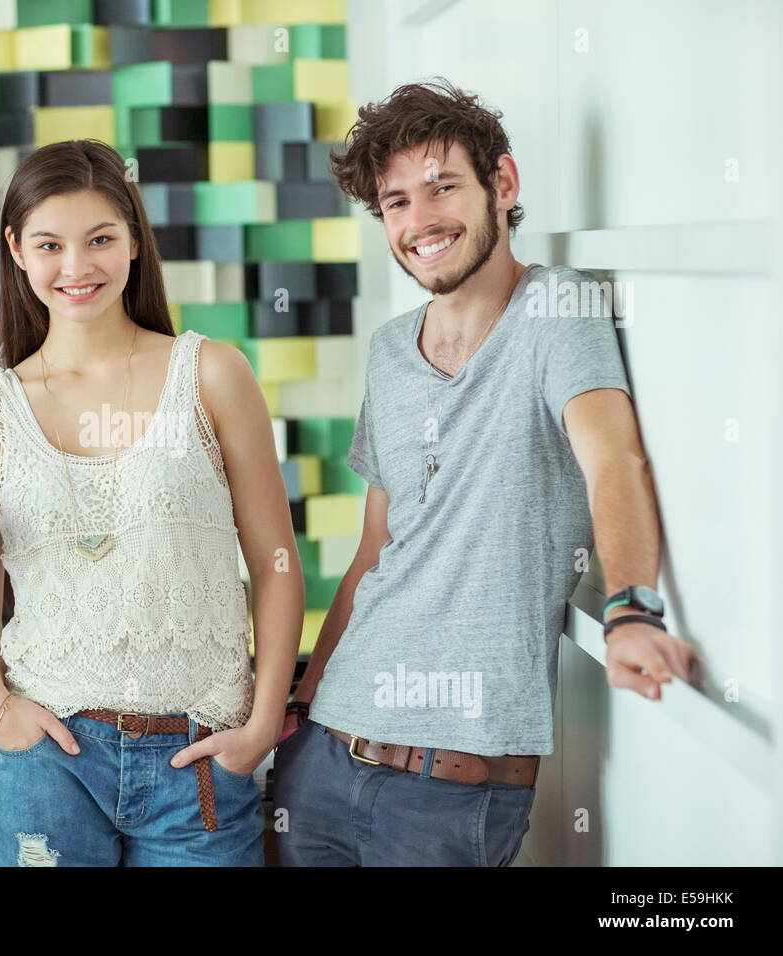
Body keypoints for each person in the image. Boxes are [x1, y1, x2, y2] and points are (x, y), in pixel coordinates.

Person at [273, 79, 697, 866]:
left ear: (502, 184)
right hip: (325, 757)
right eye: (395, 202)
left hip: (454, 791)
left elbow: (614, 458)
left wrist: (631, 609)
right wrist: (300, 709)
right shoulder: (389, 350)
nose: (419, 220)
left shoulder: (556, 311)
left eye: (442, 188)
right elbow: (374, 552)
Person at [0, 139, 302, 866]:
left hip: (198, 756)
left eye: (100, 239)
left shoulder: (212, 375)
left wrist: (263, 723)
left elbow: (277, 564)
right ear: (15, 249)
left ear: (134, 240)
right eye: (50, 244)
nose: (77, 268)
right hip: (48, 760)